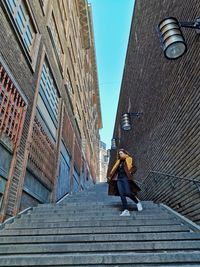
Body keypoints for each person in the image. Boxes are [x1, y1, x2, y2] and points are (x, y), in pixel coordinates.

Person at [107, 148, 143, 216]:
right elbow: (115, 170)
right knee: (122, 194)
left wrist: (130, 172)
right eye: (119, 154)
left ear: (125, 153)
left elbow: (134, 167)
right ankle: (126, 210)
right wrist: (111, 175)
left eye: (121, 153)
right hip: (119, 179)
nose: (120, 155)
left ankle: (137, 202)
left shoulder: (129, 159)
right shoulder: (118, 161)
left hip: (126, 178)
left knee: (128, 192)